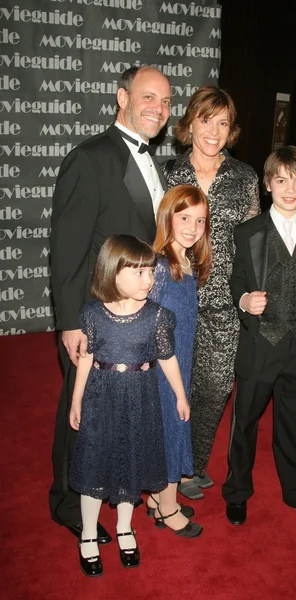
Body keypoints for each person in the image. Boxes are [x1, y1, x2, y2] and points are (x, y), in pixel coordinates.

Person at [49, 65, 171, 543]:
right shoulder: (90, 158)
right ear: (122, 97)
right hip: (97, 315)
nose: (158, 109)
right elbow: (67, 248)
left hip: (139, 313)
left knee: (127, 409)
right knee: (81, 410)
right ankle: (67, 503)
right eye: (147, 97)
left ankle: (118, 484)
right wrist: (70, 323)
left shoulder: (154, 162)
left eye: (164, 102)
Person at [222, 145, 296, 527]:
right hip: (260, 345)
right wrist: (244, 298)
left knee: (293, 423)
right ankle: (237, 491)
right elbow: (236, 278)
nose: (291, 188)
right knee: (245, 423)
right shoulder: (248, 232)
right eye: (282, 180)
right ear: (268, 185)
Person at [68, 234, 190, 576]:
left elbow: (168, 359)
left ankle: (125, 527)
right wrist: (76, 400)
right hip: (101, 398)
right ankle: (89, 534)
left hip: (140, 398)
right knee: (95, 463)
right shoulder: (92, 315)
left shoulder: (158, 316)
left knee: (130, 462)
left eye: (151, 272)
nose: (148, 280)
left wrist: (180, 395)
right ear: (112, 271)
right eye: (138, 272)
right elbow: (86, 358)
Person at [162, 85, 261, 500]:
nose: (214, 131)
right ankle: (169, 468)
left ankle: (193, 464)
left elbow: (256, 241)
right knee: (173, 385)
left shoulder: (244, 177)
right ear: (190, 123)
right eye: (206, 120)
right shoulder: (167, 172)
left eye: (223, 123)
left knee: (216, 386)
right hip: (175, 295)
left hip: (224, 302)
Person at [147, 184, 212, 536]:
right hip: (164, 366)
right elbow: (152, 331)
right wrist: (174, 383)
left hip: (180, 359)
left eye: (200, 221)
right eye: (184, 218)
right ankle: (168, 507)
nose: (191, 227)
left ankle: (158, 497)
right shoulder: (159, 267)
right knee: (172, 425)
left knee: (173, 425)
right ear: (167, 218)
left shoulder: (186, 261)